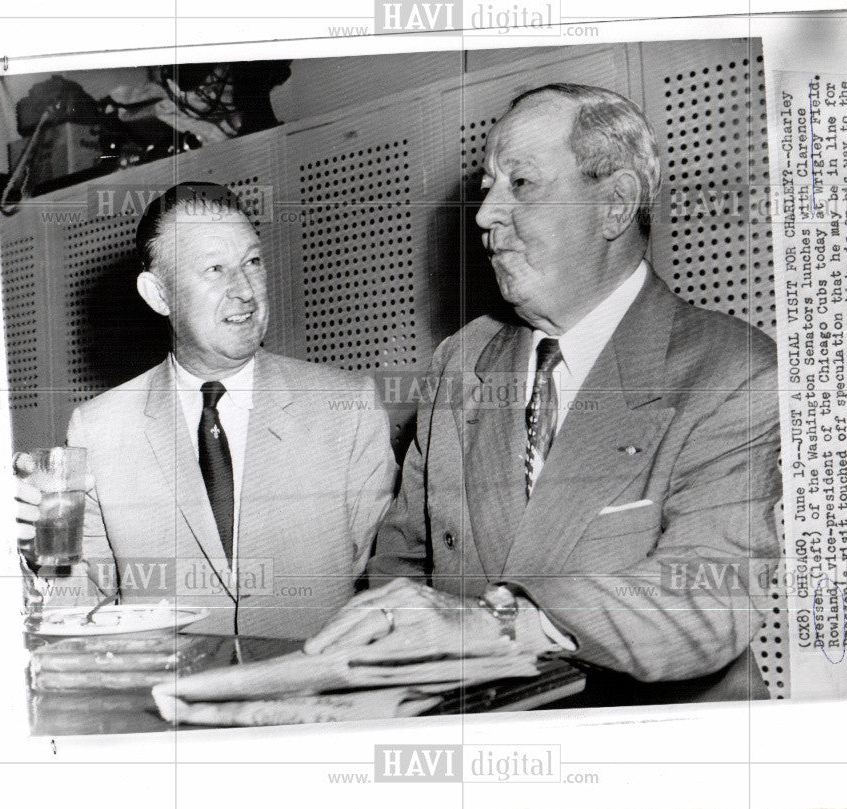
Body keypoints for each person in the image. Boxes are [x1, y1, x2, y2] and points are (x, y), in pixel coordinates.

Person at [306, 84, 782, 703]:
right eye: (487, 186)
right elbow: (404, 562)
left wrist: (498, 624)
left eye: (521, 185)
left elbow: (709, 598)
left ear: (613, 206)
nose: (484, 216)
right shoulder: (462, 362)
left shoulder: (731, 371)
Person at [15, 182, 397, 639]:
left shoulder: (346, 407)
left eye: (252, 262)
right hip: (168, 700)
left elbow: (389, 581)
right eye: (215, 269)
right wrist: (34, 545)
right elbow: (86, 606)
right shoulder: (99, 428)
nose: (245, 292)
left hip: (319, 699)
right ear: (159, 295)